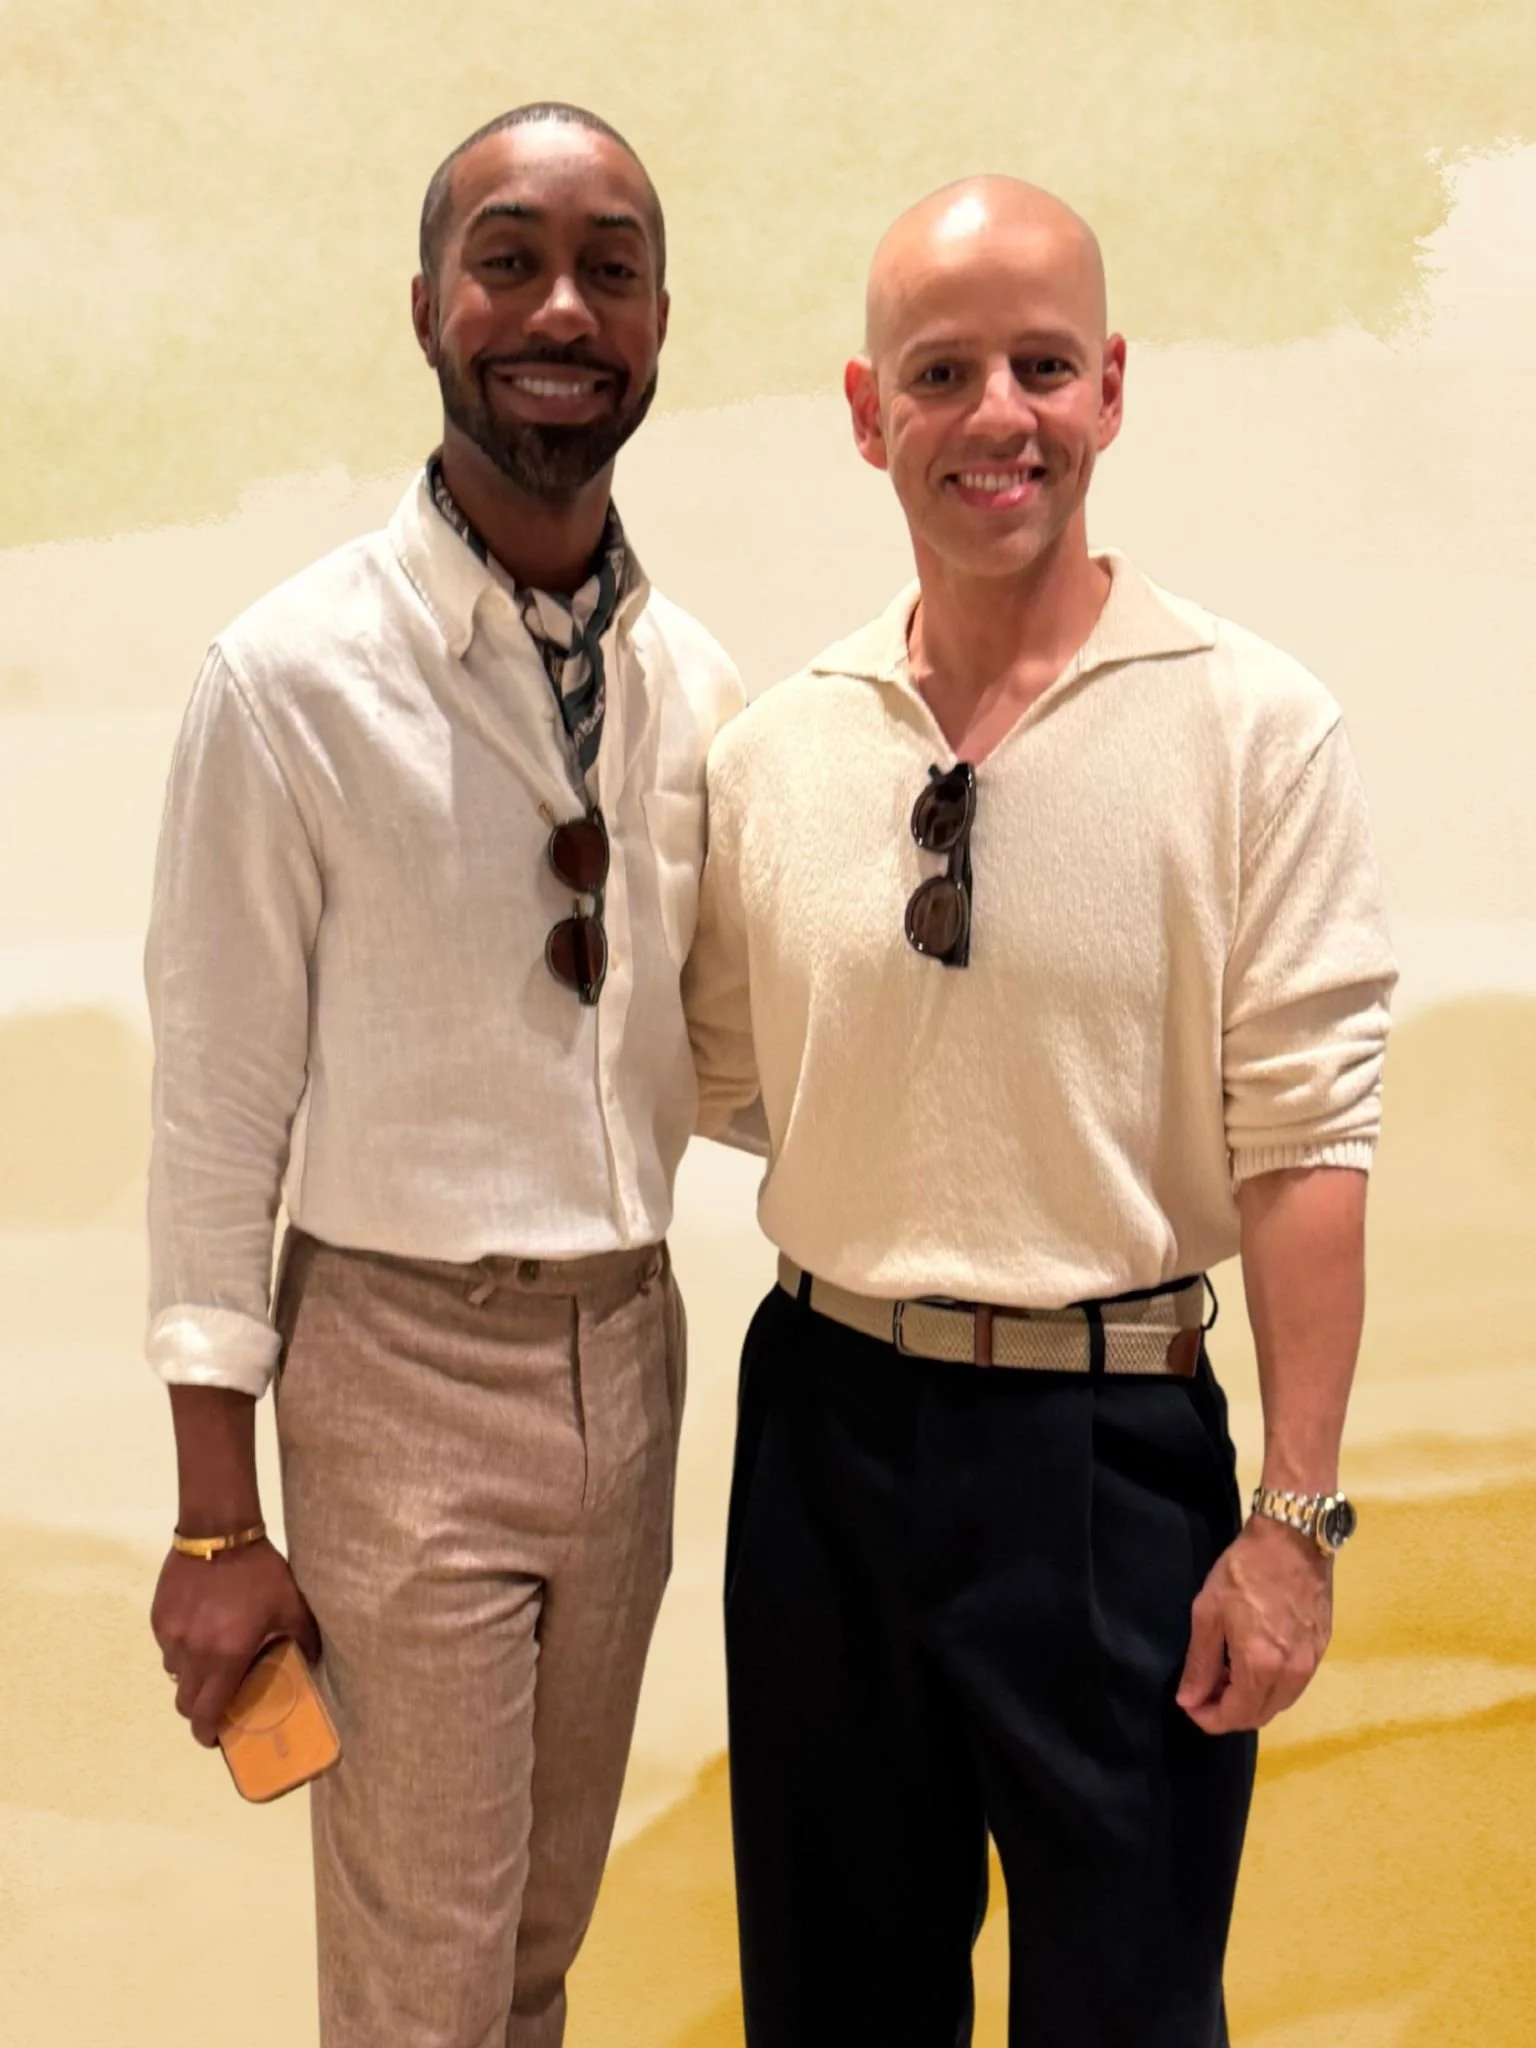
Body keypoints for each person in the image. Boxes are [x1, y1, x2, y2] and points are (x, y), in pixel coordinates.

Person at [682, 175, 1397, 2047]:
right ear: (866, 412)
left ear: (1112, 390)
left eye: (1043, 365)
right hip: (823, 1436)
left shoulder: (1255, 729)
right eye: (943, 370)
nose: (997, 413)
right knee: (834, 2007)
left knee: (1129, 2013)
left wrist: (1292, 1525)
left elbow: (1309, 1137)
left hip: (1111, 1461)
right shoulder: (775, 756)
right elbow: (743, 1080)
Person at [145, 102, 743, 2048]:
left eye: (610, 266)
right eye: (508, 257)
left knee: (535, 1957)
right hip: (398, 1365)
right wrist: (219, 1523)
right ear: (426, 305)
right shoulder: (288, 679)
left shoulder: (699, 687)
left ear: (661, 322)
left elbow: (724, 1054)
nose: (559, 305)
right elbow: (216, 1112)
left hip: (632, 1359)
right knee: (423, 1992)